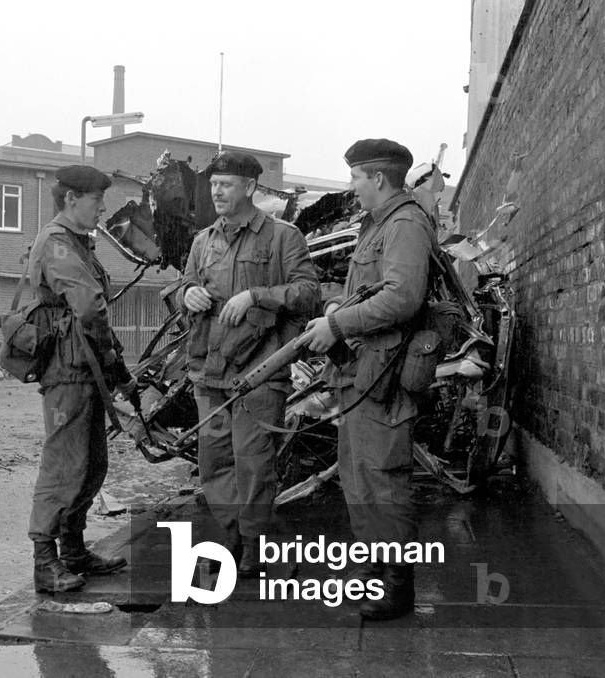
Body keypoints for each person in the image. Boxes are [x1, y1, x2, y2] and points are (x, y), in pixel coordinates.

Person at [301, 138, 435, 620]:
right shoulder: (376, 226)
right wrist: (341, 304)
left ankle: (396, 588)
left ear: (378, 178)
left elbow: (403, 298)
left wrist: (337, 324)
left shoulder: (405, 224)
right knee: (358, 480)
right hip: (361, 376)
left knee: (383, 481)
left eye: (356, 177)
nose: (351, 187)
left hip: (385, 375)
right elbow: (370, 291)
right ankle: (373, 570)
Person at [177, 151, 319, 576]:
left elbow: (308, 291)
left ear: (250, 188)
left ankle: (258, 545)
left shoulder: (282, 237)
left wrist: (257, 296)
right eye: (213, 184)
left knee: (254, 461)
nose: (217, 192)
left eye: (226, 184)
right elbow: (182, 284)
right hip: (210, 368)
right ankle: (232, 538)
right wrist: (187, 293)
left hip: (259, 368)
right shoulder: (204, 240)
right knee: (215, 462)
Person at [27, 165, 135, 593]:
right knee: (64, 464)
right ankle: (44, 560)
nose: (103, 208)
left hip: (84, 367)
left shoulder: (77, 243)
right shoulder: (56, 242)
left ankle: (73, 550)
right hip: (68, 371)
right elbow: (89, 308)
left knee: (91, 465)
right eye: (96, 200)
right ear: (72, 199)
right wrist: (113, 359)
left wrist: (115, 368)